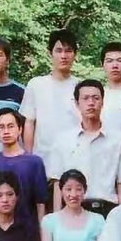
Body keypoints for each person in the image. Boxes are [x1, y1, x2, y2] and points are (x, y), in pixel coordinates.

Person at [50, 79, 121, 217]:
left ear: (103, 102)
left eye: (96, 98)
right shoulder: (63, 140)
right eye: (85, 98)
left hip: (108, 210)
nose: (91, 103)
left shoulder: (118, 139)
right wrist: (57, 219)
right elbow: (58, 183)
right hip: (73, 210)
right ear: (77, 103)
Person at [19, 29, 81, 166]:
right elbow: (29, 122)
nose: (63, 56)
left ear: (75, 54)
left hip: (74, 161)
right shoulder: (36, 84)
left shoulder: (81, 86)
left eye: (68, 51)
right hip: (42, 160)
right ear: (50, 53)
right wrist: (28, 158)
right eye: (58, 51)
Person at [0, 108, 47, 226]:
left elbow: (40, 203)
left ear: (20, 129)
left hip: (27, 228)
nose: (6, 131)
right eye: (1, 127)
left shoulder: (34, 162)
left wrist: (41, 231)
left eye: (10, 126)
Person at [100, 42, 121, 134]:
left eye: (119, 60)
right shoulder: (97, 96)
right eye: (109, 61)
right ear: (102, 65)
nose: (115, 66)